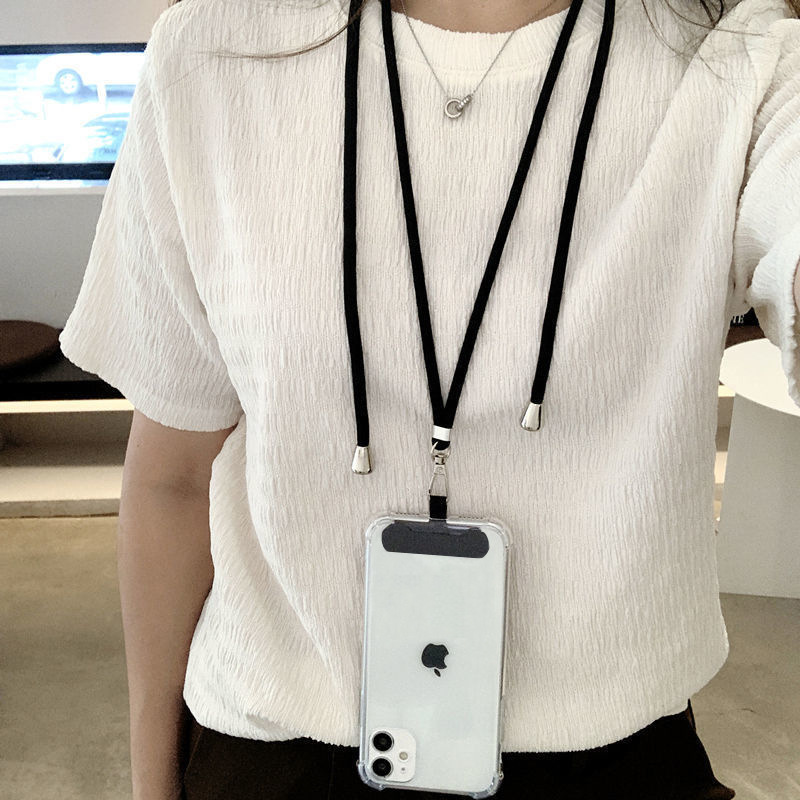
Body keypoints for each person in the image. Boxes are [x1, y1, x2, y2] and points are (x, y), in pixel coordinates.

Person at [58, 0, 800, 797]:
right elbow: (173, 475)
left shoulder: (742, 60)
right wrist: (153, 780)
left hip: (613, 762)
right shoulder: (212, 55)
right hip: (278, 754)